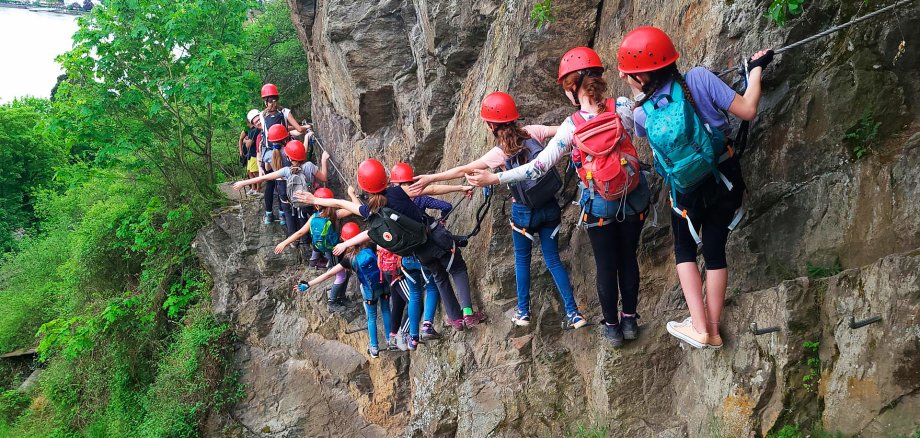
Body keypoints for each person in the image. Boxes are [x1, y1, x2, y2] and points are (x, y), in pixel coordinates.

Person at [465, 48, 652, 348]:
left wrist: (495, 177)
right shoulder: (622, 106)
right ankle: (629, 320)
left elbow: (537, 168)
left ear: (570, 89)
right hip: (633, 196)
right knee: (628, 258)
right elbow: (642, 133)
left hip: (600, 204)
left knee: (607, 266)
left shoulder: (571, 127)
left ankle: (613, 328)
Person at [617, 27, 772, 349]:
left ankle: (698, 326)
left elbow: (648, 136)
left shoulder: (643, 114)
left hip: (686, 189)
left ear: (642, 78)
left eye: (628, 74)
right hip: (724, 175)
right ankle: (712, 329)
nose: (624, 77)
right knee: (715, 250)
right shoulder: (700, 79)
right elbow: (748, 110)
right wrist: (755, 71)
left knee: (685, 251)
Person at [412, 92, 589, 330]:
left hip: (523, 213)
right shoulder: (532, 132)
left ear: (491, 125)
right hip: (549, 208)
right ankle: (574, 313)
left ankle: (523, 312)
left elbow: (463, 169)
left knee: (522, 261)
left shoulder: (499, 153)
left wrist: (431, 177)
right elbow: (568, 129)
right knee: (553, 261)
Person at [293, 159, 487, 332]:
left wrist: (314, 199)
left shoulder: (368, 210)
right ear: (385, 179)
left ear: (365, 187)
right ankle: (468, 313)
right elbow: (431, 190)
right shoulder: (397, 192)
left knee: (440, 278)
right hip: (436, 238)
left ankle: (455, 319)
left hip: (419, 252)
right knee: (458, 268)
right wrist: (460, 188)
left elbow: (341, 203)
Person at [296, 222, 391, 358]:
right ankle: (390, 340)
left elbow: (329, 274)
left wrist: (308, 284)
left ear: (345, 240)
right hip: (384, 283)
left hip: (370, 290)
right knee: (386, 310)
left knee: (371, 318)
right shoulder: (371, 245)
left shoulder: (348, 259)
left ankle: (374, 347)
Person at [274, 187, 353, 310]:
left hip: (328, 250)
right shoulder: (335, 215)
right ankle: (332, 302)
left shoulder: (314, 217)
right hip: (336, 250)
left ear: (316, 206)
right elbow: (355, 207)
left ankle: (341, 297)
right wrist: (352, 194)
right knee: (341, 275)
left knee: (345, 272)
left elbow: (300, 233)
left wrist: (284, 243)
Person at [233, 138, 329, 237]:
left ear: (289, 158)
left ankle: (306, 241)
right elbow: (324, 178)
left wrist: (244, 182)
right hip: (313, 202)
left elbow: (264, 178)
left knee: (308, 226)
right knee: (320, 224)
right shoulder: (309, 166)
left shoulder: (286, 171)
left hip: (299, 204)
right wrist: (323, 160)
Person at [240, 109, 263, 195]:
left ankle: (258, 189)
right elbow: (243, 140)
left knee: (255, 172)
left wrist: (246, 141)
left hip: (254, 153)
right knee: (250, 171)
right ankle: (253, 188)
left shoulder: (255, 130)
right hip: (249, 155)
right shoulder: (249, 131)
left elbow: (248, 144)